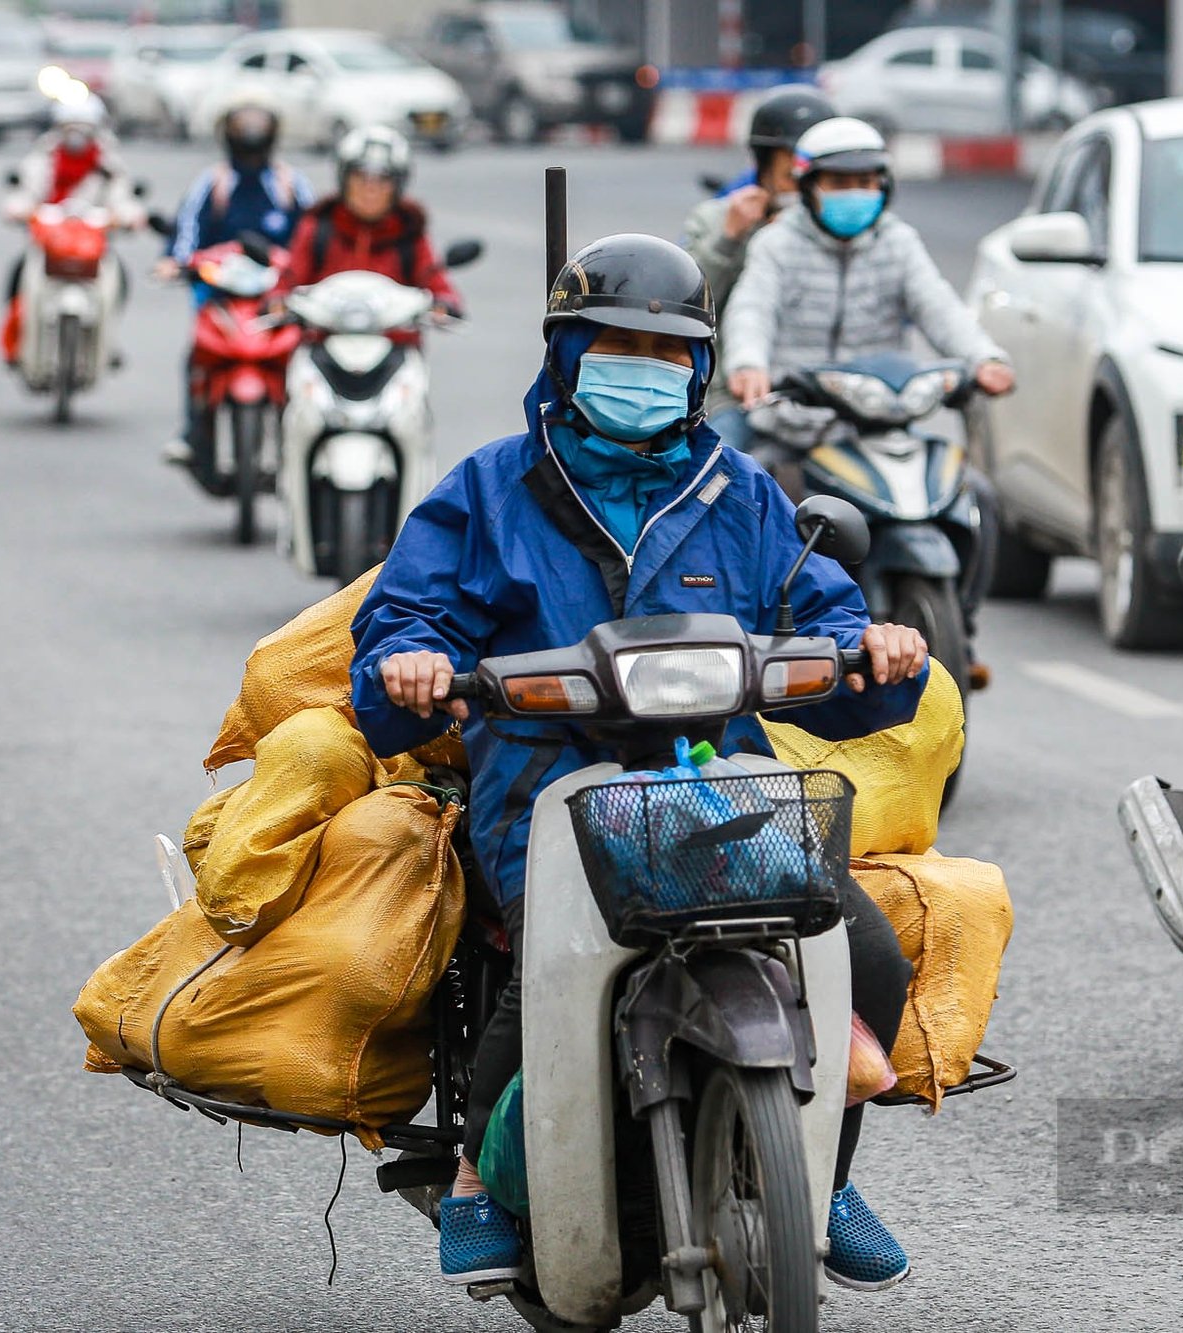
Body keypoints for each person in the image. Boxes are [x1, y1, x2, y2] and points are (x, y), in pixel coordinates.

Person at [348, 233, 927, 1295]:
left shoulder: (740, 491)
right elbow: (404, 615)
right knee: (547, 967)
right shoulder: (488, 489)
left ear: (697, 370)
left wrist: (876, 649)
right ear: (565, 354)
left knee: (871, 952)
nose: (640, 367)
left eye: (664, 352)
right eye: (614, 344)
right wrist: (413, 663)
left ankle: (824, 1170)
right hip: (547, 791)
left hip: (724, 788)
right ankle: (480, 1172)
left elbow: (830, 622)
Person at [720, 115, 1016, 656]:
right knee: (727, 490)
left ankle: (962, 632)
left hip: (882, 421)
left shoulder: (899, 244)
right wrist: (747, 365)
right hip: (793, 419)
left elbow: (940, 308)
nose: (854, 194)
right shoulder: (776, 245)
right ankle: (746, 633)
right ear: (808, 188)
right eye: (839, 183)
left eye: (866, 182)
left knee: (982, 499)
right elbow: (751, 310)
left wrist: (985, 359)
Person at [154, 102, 314, 465]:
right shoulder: (213, 182)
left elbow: (311, 235)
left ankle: (307, 431)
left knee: (303, 357)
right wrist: (176, 263)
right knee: (198, 355)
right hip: (220, 289)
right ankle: (194, 432)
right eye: (243, 125)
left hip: (277, 290)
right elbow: (187, 228)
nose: (250, 133)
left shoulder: (291, 184)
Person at [682, 83, 834, 362]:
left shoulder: (845, 228)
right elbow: (686, 307)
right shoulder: (714, 218)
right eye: (792, 176)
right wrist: (728, 239)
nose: (802, 187)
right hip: (738, 380)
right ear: (765, 166)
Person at [0, 96, 144, 367]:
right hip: (49, 243)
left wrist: (129, 216)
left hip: (93, 246)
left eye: (84, 127)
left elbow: (123, 199)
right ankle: (19, 339)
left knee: (118, 279)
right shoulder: (42, 159)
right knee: (19, 276)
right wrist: (19, 209)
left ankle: (107, 341)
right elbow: (24, 193)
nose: (77, 134)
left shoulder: (109, 164)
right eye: (70, 126)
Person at [272, 126, 462, 321]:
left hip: (395, 341)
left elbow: (434, 280)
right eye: (360, 178)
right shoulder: (319, 227)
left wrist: (444, 302)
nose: (370, 190)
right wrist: (277, 301)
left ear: (398, 186)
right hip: (324, 339)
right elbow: (290, 278)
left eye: (383, 180)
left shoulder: (408, 231)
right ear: (344, 180)